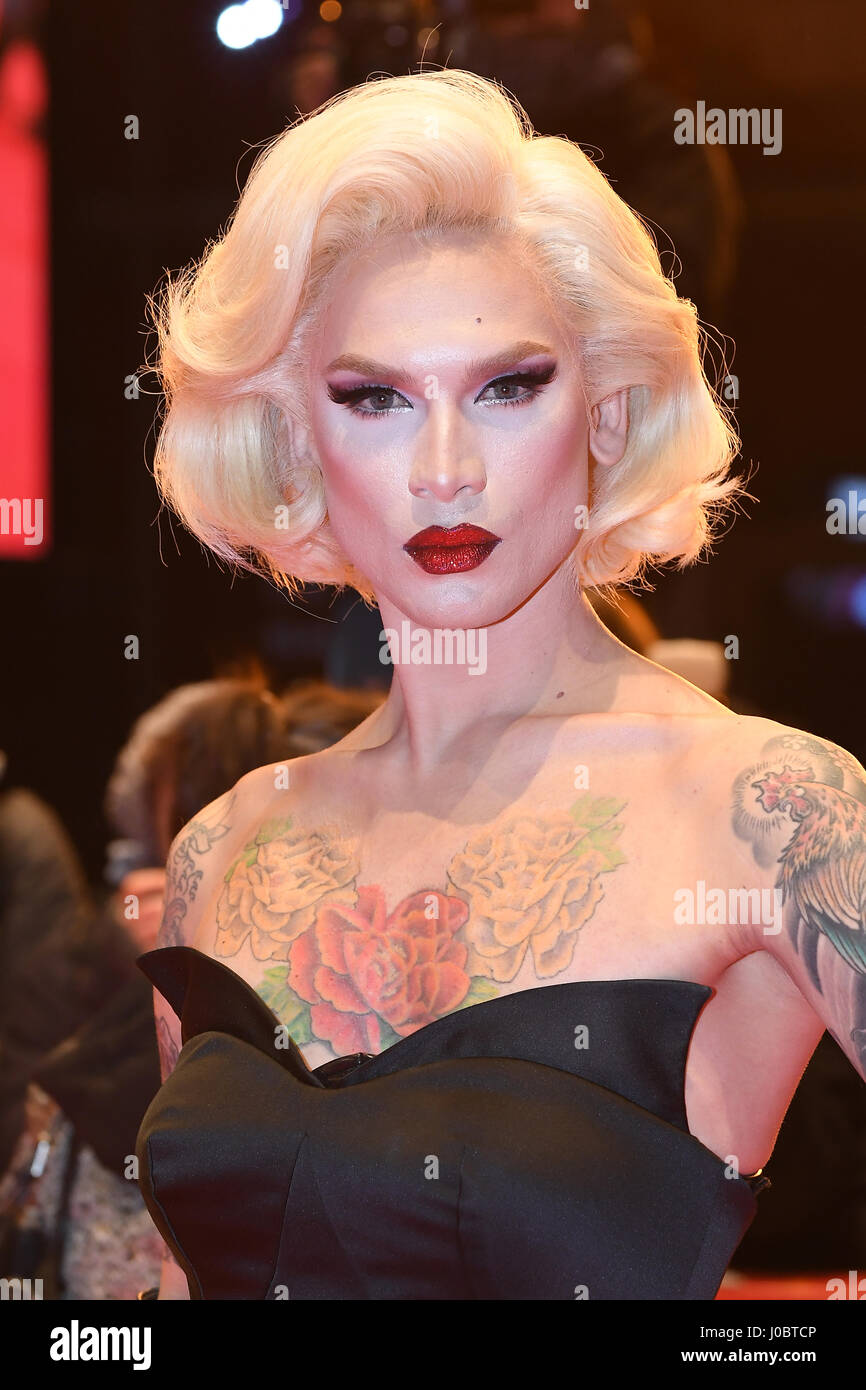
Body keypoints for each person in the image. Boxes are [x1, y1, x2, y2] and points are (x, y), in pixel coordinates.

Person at [136, 69, 866, 1301]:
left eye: (507, 387)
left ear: (609, 409)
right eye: (372, 397)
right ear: (294, 440)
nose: (443, 468)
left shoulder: (769, 809)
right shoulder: (224, 851)